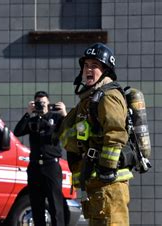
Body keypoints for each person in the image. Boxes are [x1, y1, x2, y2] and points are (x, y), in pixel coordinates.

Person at [59, 43, 133, 226]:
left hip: (110, 185)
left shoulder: (109, 96)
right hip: (96, 184)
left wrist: (107, 167)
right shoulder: (88, 99)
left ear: (106, 70)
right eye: (86, 65)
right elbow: (65, 133)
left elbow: (115, 132)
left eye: (95, 66)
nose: (88, 70)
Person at [13, 91, 67, 226]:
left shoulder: (56, 118)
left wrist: (64, 114)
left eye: (43, 102)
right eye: (38, 103)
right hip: (35, 167)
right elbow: (17, 132)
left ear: (49, 103)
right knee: (37, 205)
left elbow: (70, 130)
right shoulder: (32, 120)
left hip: (51, 166)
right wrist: (28, 113)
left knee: (55, 205)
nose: (41, 105)